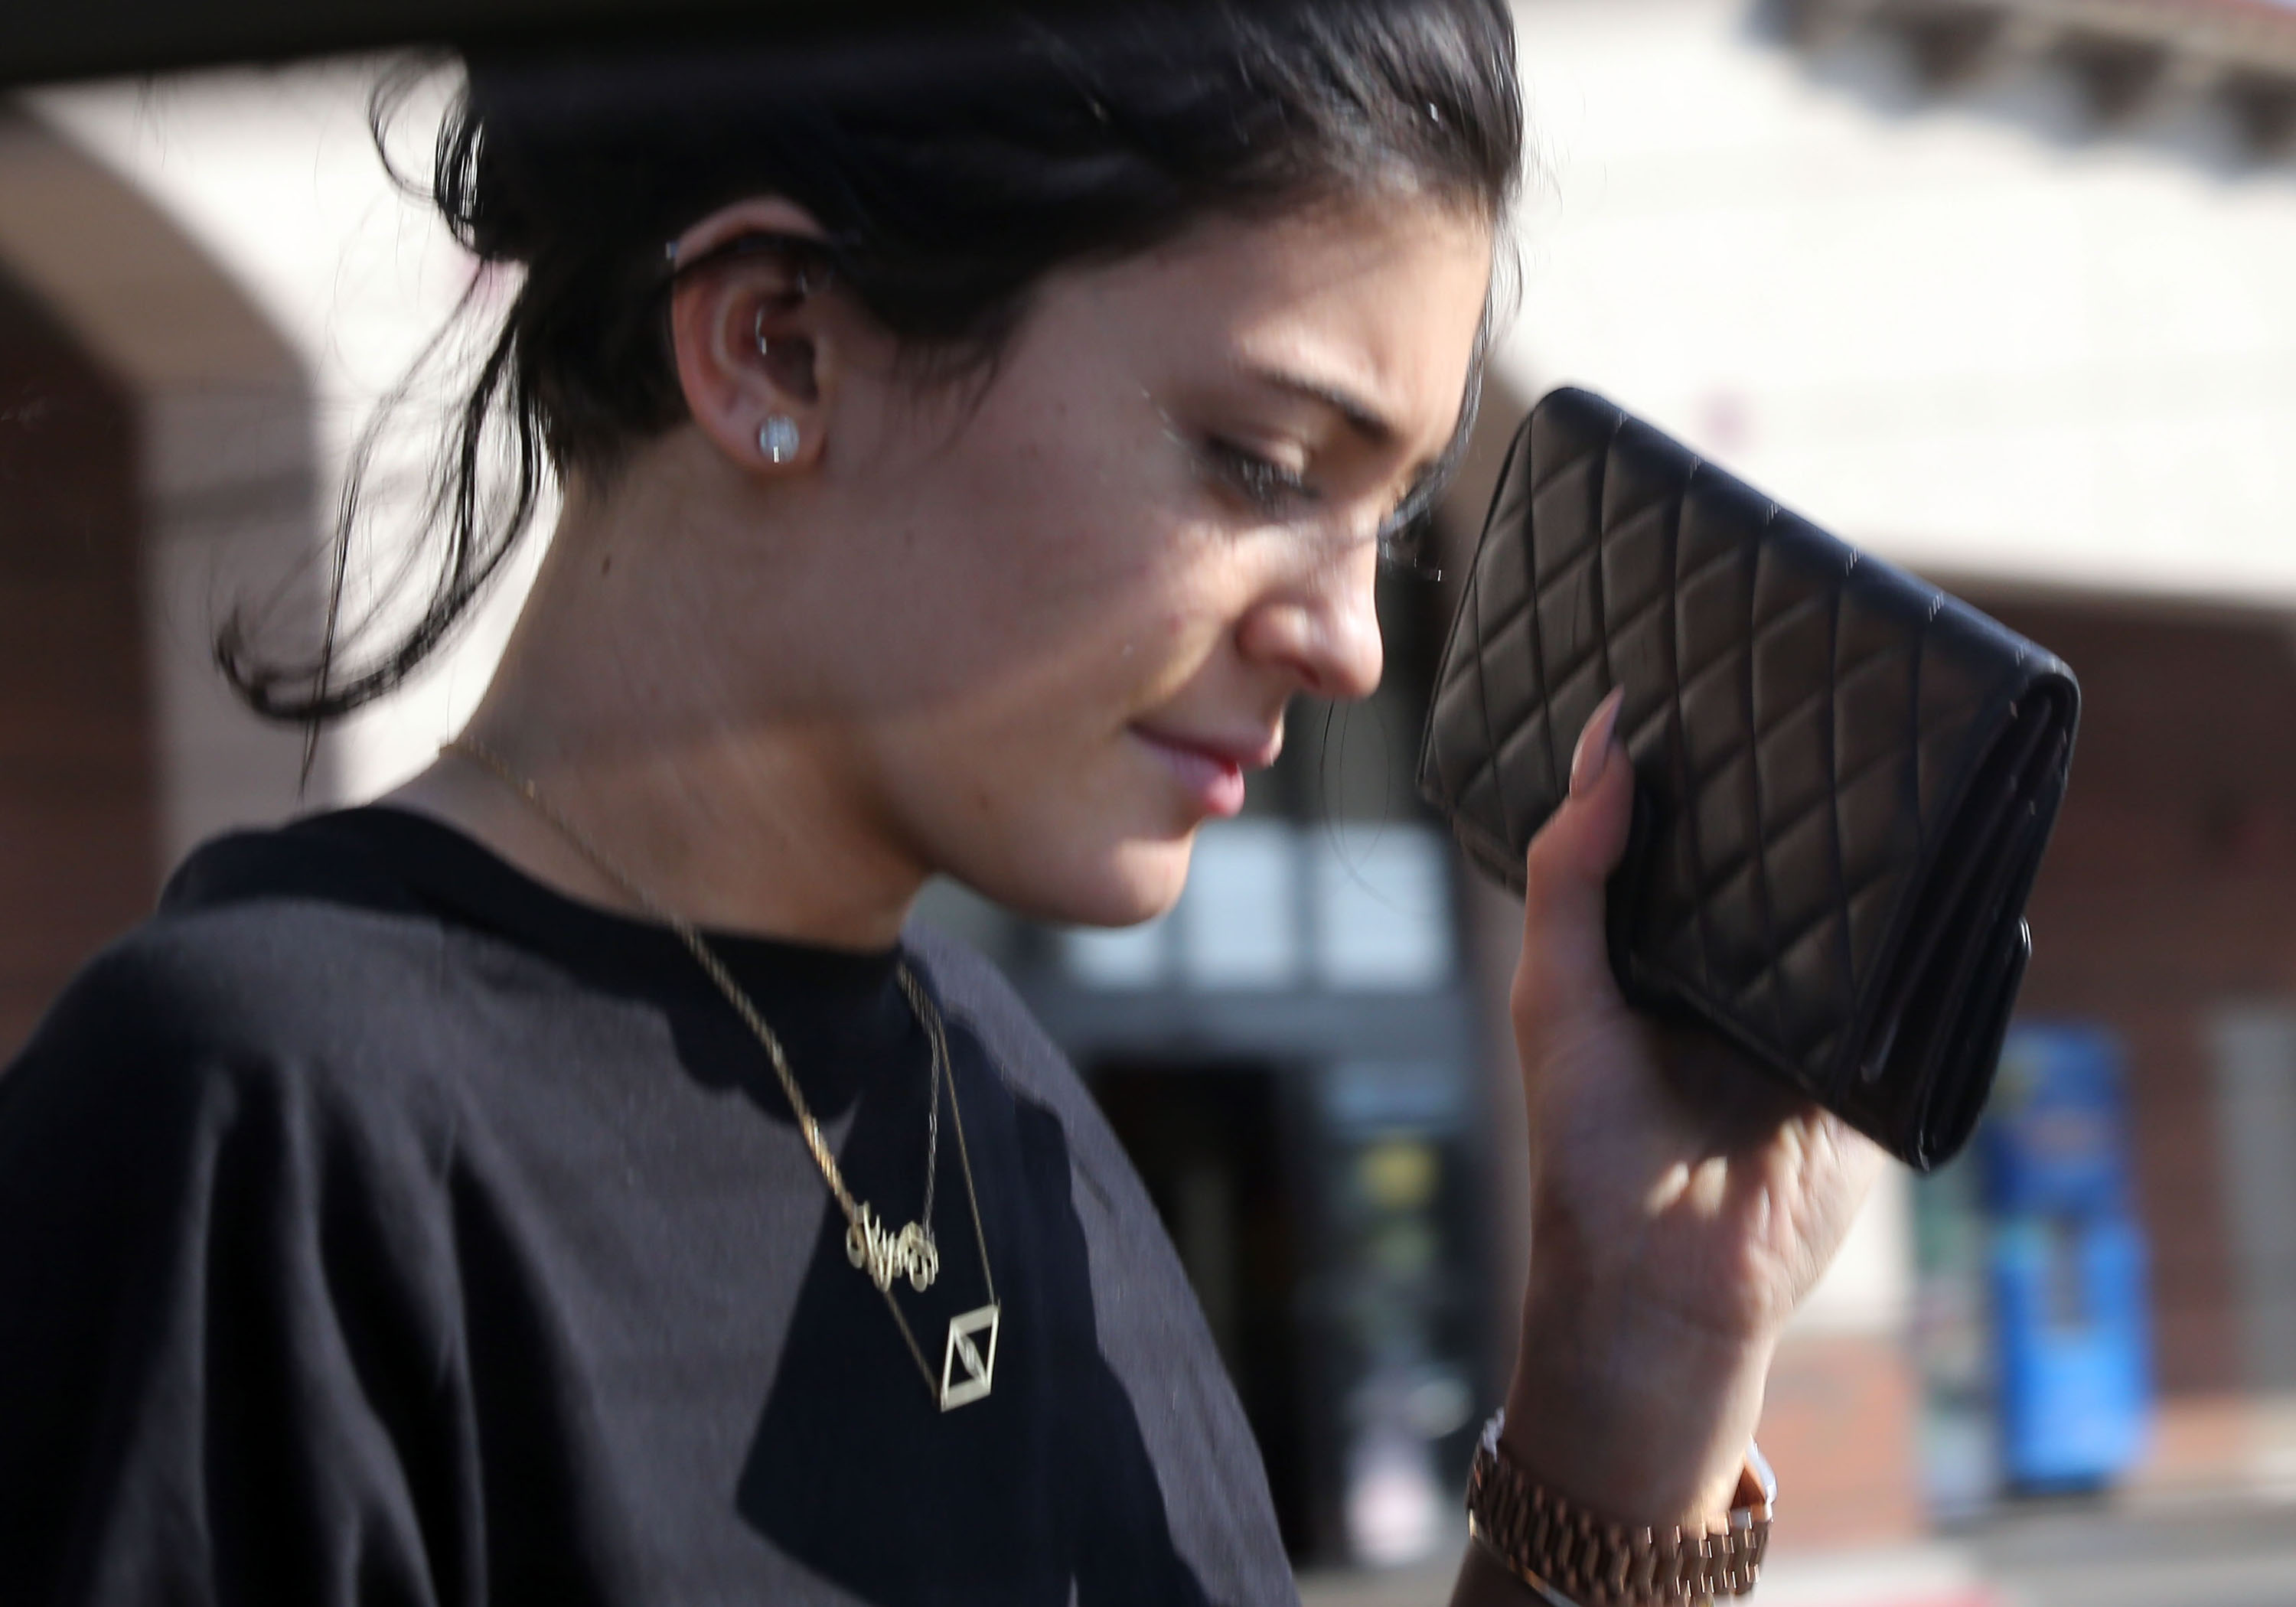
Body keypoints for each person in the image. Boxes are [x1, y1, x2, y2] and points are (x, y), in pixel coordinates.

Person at [0, 3, 1883, 1602]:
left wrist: (1640, 1350)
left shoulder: (1015, 1118)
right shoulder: (261, 1129)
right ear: (777, 346)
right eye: (1260, 463)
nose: (1348, 644)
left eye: (1383, 522)